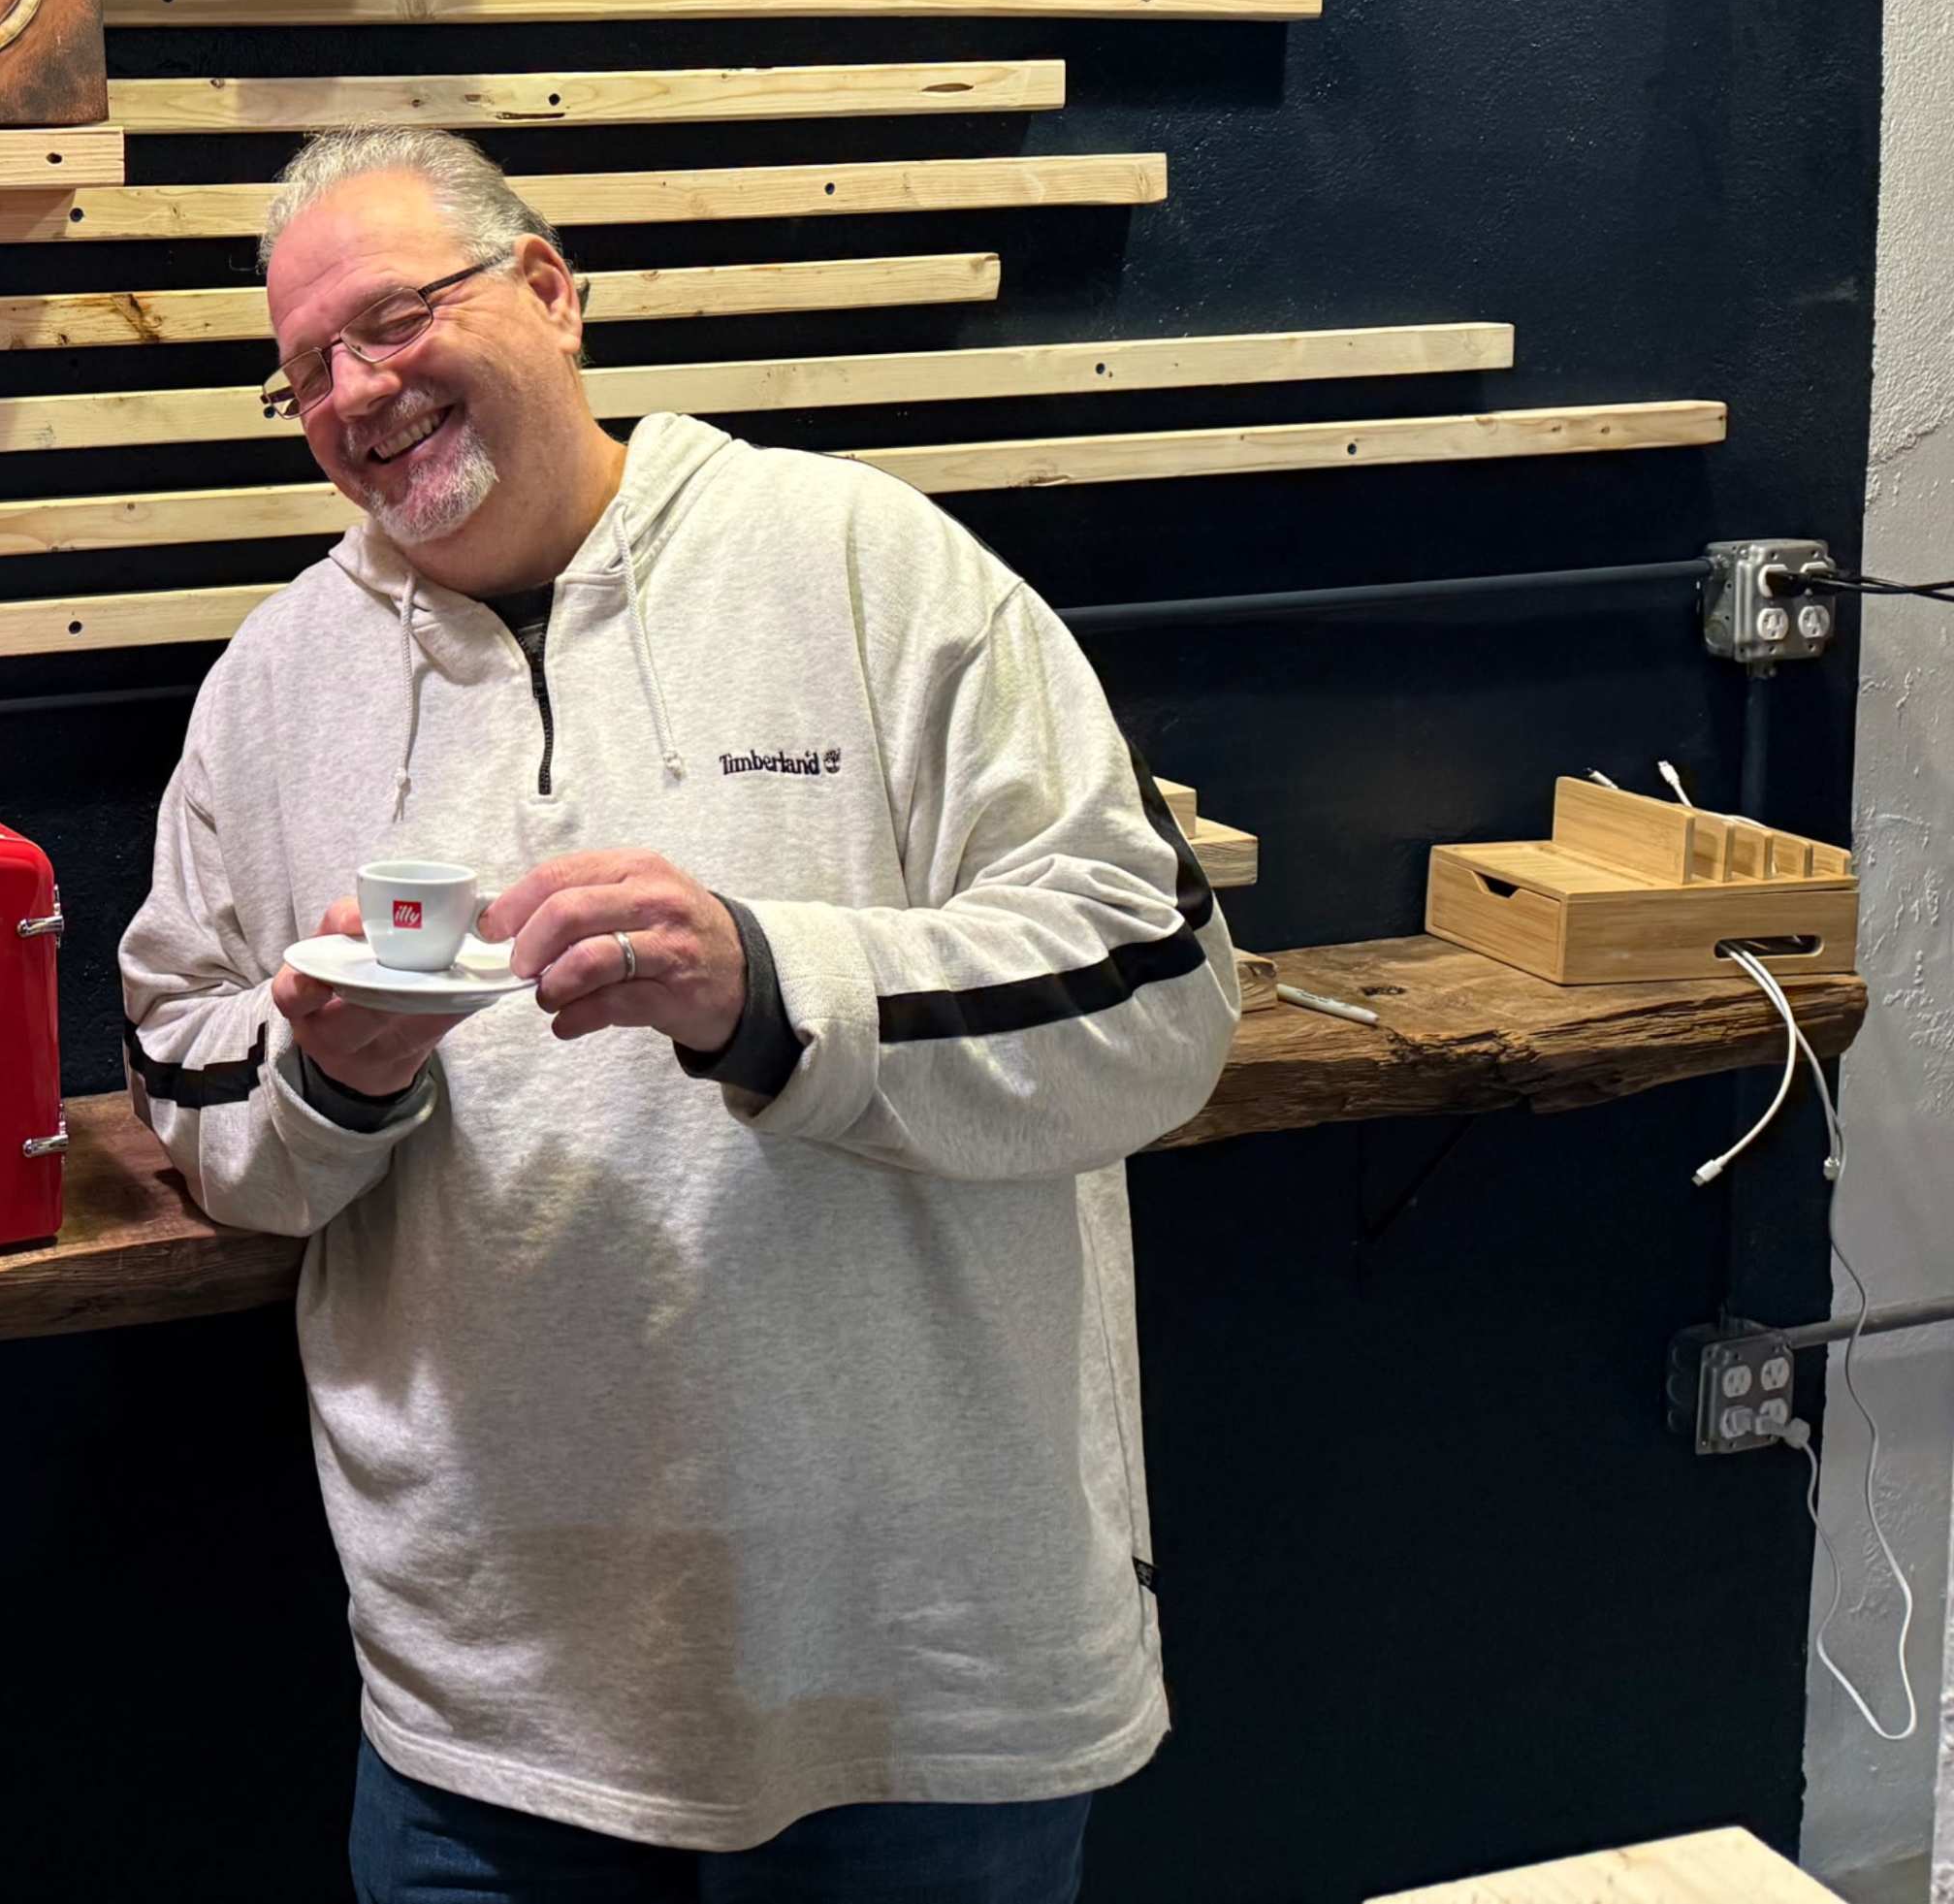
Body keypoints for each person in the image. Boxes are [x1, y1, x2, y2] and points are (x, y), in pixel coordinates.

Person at [119, 129, 1236, 1903]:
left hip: (922, 1683)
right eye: (305, 370)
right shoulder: (271, 690)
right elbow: (186, 1069)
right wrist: (325, 1081)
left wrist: (771, 985)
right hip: (482, 1702)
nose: (356, 391)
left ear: (553, 292)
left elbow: (1163, 992)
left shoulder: (865, 563)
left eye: (397, 317)